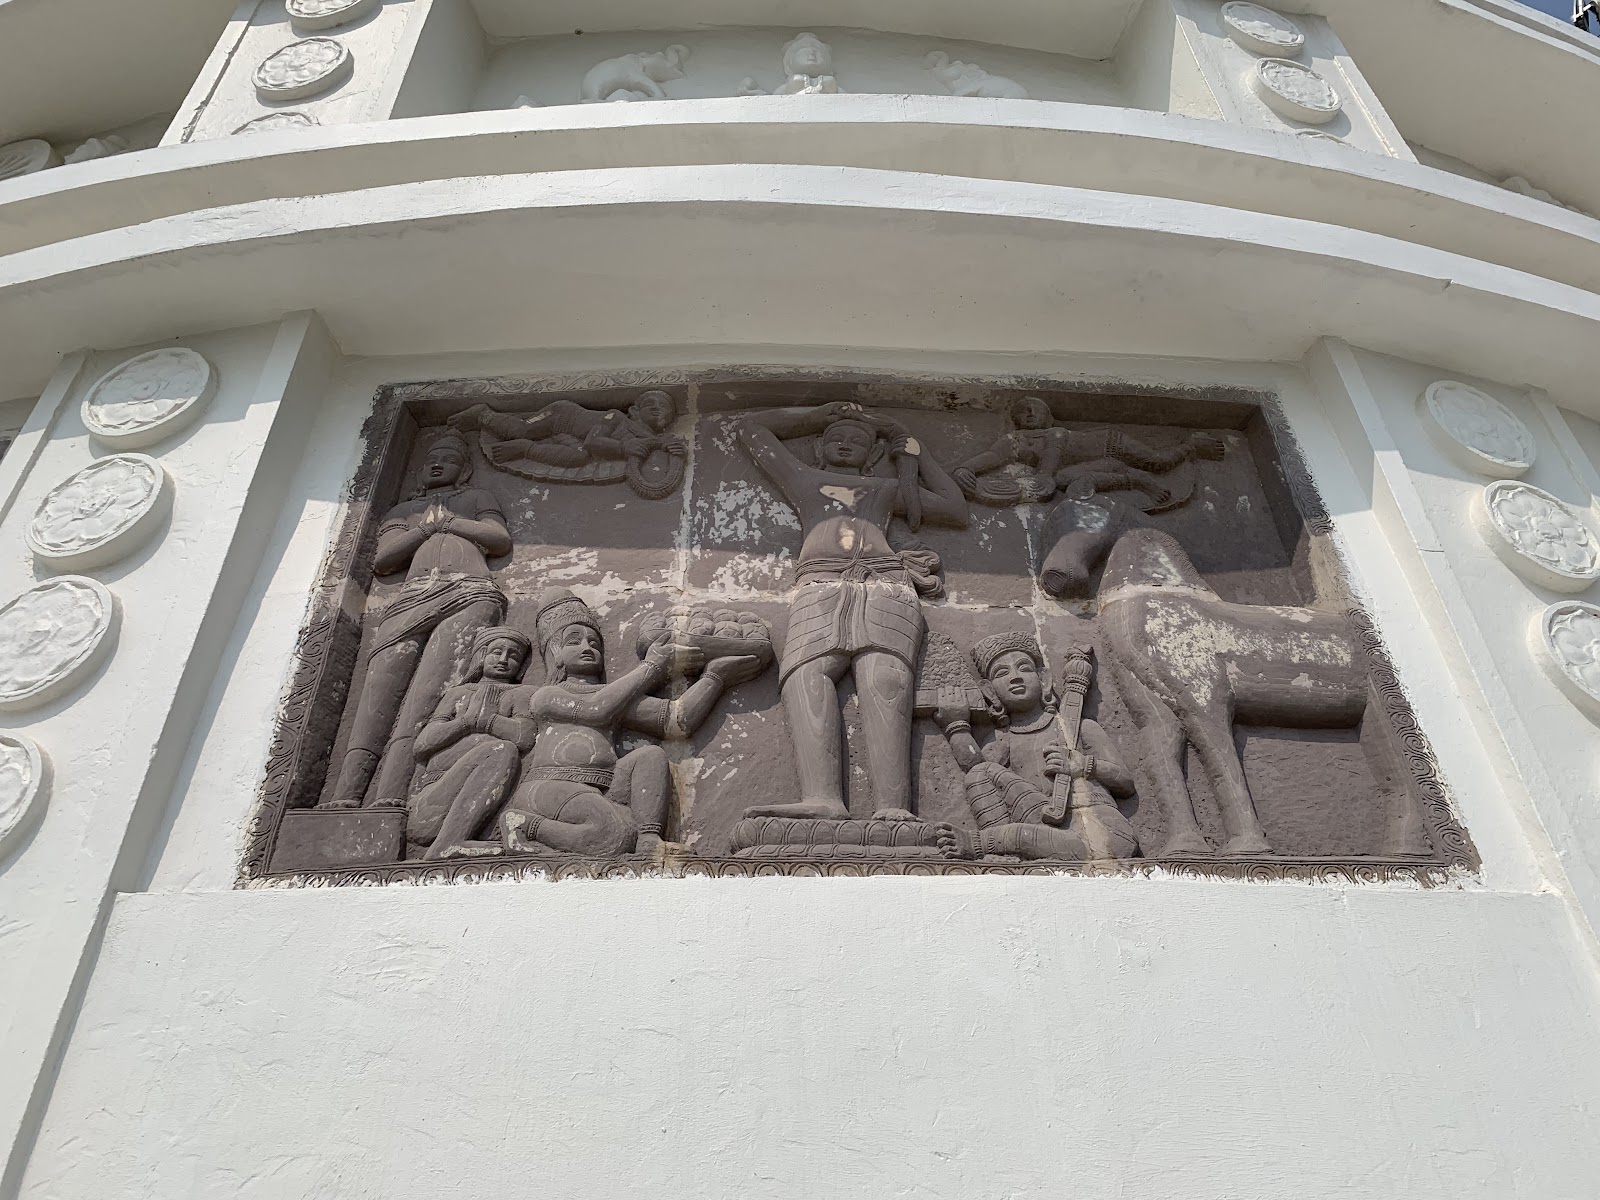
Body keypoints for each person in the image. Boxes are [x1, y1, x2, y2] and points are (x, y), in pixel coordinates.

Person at [735, 402, 969, 822]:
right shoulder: (806, 479)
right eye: (836, 438)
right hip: (820, 583)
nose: (845, 444)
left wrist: (909, 443)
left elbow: (954, 508)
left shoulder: (886, 488)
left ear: (872, 452)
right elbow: (752, 428)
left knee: (884, 680)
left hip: (884, 582)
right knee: (804, 675)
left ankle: (894, 807)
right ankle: (821, 798)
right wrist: (819, 414)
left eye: (857, 440)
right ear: (820, 448)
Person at [325, 430, 511, 809]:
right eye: (431, 460)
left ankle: (392, 795)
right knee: (378, 697)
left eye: (449, 460)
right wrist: (425, 529)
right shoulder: (402, 513)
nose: (438, 464)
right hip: (410, 599)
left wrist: (450, 524)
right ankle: (346, 794)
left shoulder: (477, 497)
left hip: (468, 592)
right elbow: (384, 559)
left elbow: (498, 538)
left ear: (465, 469)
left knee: (427, 697)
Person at [500, 588, 762, 857]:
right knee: (614, 834)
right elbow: (595, 710)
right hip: (549, 788)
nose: (586, 647)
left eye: (593, 642)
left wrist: (714, 678)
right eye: (573, 641)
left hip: (602, 788)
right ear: (555, 652)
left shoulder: (616, 698)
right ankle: (524, 825)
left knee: (650, 755)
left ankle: (648, 841)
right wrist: (651, 667)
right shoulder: (546, 695)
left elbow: (677, 718)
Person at [933, 632, 1141, 861]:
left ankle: (983, 843)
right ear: (990, 691)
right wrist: (956, 726)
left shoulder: (1082, 727)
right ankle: (1004, 850)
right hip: (1042, 825)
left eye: (1024, 668)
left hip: (1100, 831)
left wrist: (1083, 765)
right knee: (980, 774)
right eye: (1002, 673)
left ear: (1044, 680)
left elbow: (1125, 783)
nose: (1015, 678)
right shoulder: (1003, 741)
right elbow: (975, 769)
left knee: (1023, 837)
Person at [953, 396, 1225, 510]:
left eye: (1037, 410)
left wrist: (1044, 476)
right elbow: (993, 456)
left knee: (1157, 462)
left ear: (1049, 417)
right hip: (1098, 462)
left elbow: (1054, 452)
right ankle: (1136, 480)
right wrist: (966, 468)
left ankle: (1192, 446)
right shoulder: (1015, 439)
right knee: (1067, 480)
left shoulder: (1054, 433)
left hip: (1109, 443)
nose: (1031, 414)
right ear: (1016, 420)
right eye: (1023, 412)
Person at [407, 627, 537, 860]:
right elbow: (423, 744)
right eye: (497, 652)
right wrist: (466, 722)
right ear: (481, 656)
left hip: (482, 805)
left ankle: (456, 839)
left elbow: (525, 737)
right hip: (430, 809)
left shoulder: (522, 694)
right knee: (500, 750)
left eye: (514, 656)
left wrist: (489, 721)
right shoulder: (459, 694)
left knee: (501, 751)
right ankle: (448, 844)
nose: (504, 660)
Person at [449, 391, 684, 473]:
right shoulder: (616, 416)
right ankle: (483, 415)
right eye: (649, 404)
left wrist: (669, 446)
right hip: (562, 417)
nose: (656, 408)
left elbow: (653, 443)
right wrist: (622, 449)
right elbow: (593, 441)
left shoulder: (645, 436)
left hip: (574, 440)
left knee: (578, 457)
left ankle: (525, 449)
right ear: (634, 410)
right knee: (523, 429)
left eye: (664, 407)